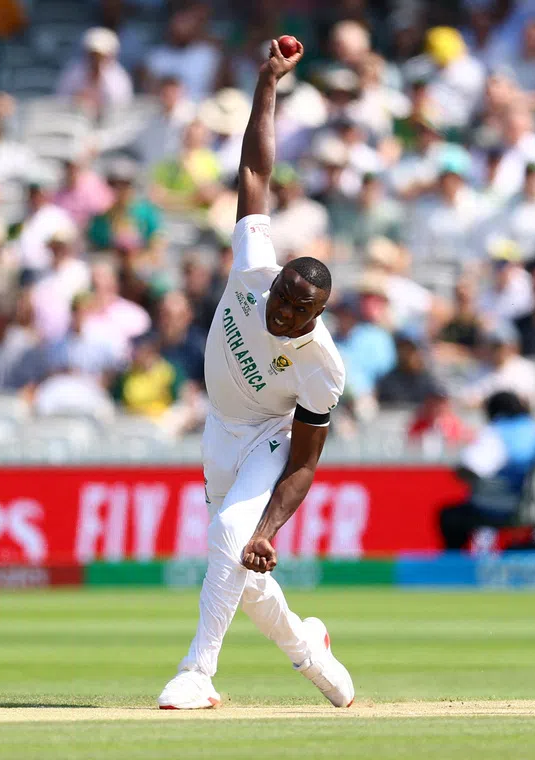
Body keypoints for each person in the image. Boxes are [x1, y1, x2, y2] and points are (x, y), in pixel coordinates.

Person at [158, 39, 354, 712]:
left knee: (233, 538)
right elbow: (254, 169)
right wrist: (267, 81)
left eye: (301, 310)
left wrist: (271, 528)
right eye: (281, 299)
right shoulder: (253, 269)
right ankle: (312, 654)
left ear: (319, 313)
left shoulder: (323, 367)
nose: (284, 311)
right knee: (239, 566)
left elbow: (304, 461)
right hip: (220, 429)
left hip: (271, 434)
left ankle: (198, 674)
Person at [438, 390, 535, 550]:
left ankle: (454, 570)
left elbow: (472, 467)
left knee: (449, 516)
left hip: (502, 505)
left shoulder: (496, 432)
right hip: (533, 504)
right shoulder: (534, 430)